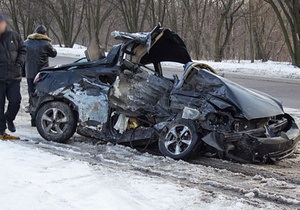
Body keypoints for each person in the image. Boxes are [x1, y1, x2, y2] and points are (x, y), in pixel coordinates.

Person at [0, 15, 26, 140]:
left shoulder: (14, 36)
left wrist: (20, 62)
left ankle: (9, 118)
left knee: (15, 101)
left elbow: (23, 50)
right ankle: (1, 131)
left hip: (14, 76)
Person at [25, 25, 57, 126]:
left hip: (29, 73)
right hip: (42, 74)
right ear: (45, 33)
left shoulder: (26, 43)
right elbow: (54, 54)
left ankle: (32, 119)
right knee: (41, 95)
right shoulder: (46, 43)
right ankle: (39, 117)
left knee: (31, 94)